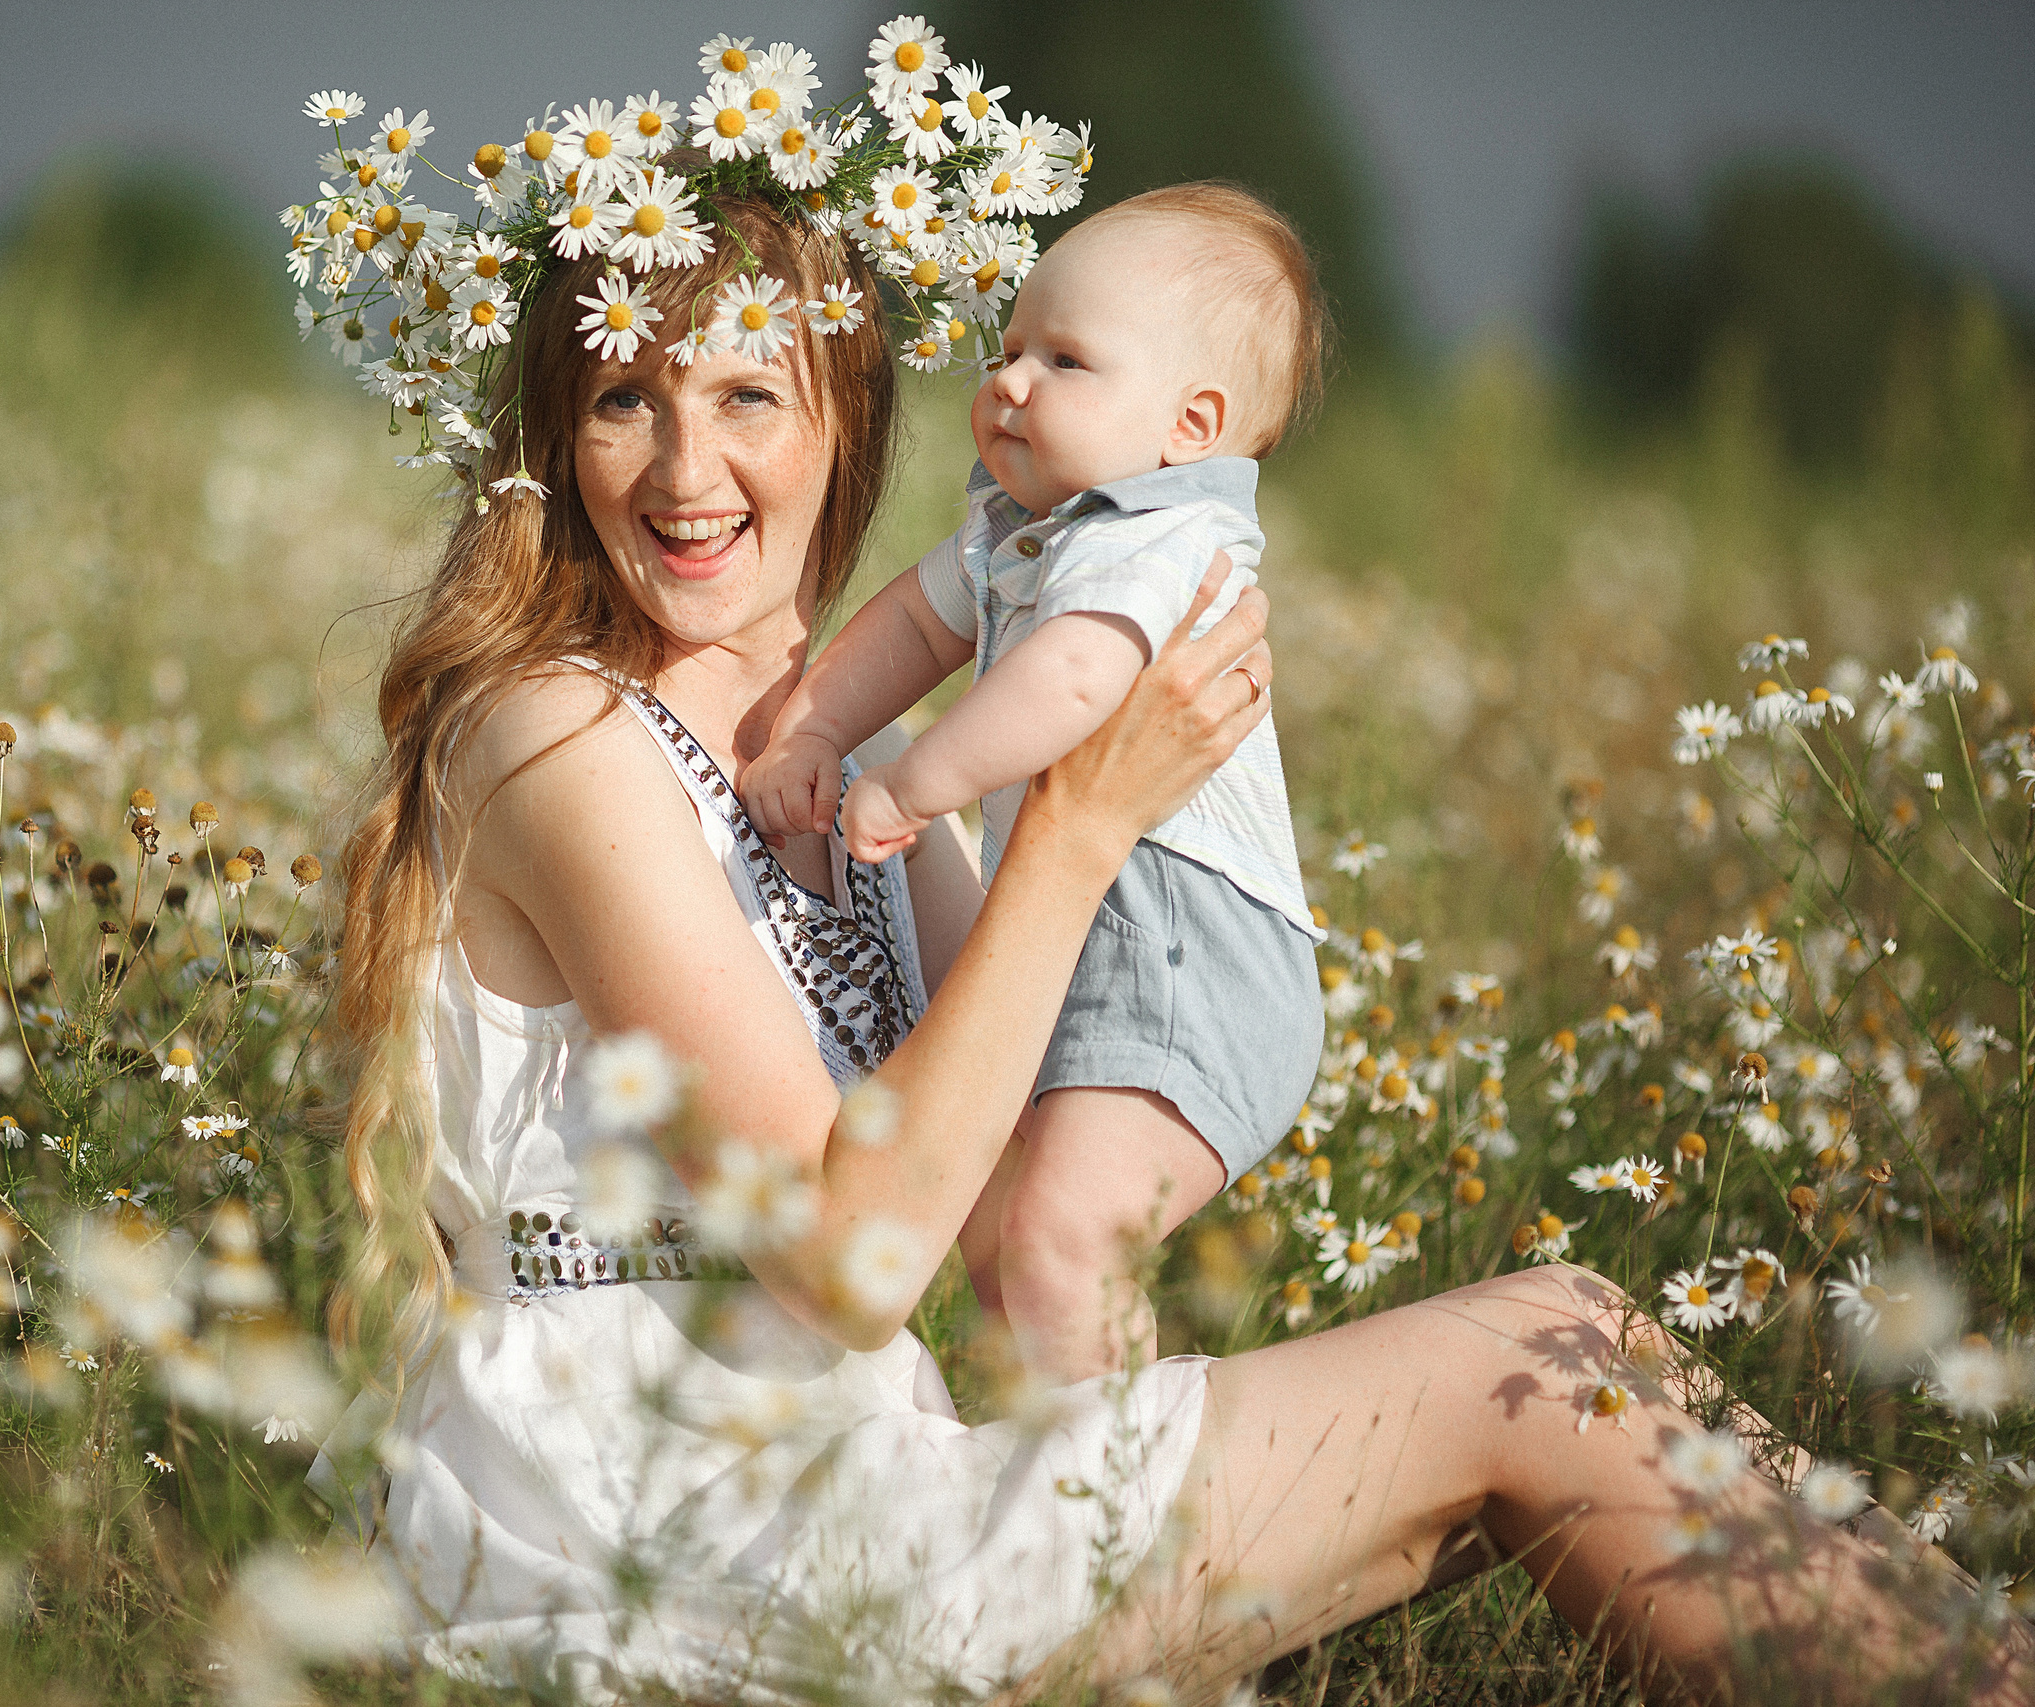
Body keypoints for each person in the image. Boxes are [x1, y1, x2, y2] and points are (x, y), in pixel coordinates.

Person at [330, 192, 2028, 1704]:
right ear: (554, 432)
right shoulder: (552, 734)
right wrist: (1076, 823)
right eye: (627, 395)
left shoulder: (855, 781)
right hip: (659, 1525)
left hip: (849, 1474)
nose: (688, 473)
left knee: (1575, 1363)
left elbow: (980, 1214)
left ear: (845, 421)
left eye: (747, 396)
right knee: (1535, 1362)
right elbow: (848, 1256)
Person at [741, 183, 1328, 1384]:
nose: (1008, 381)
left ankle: (1108, 1511)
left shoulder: (1160, 537)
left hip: (1191, 958)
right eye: (1008, 349)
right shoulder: (1024, 529)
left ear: (1188, 423)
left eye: (1065, 360)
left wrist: (913, 789)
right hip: (1095, 925)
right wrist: (808, 731)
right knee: (1014, 1238)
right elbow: (909, 628)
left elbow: (1069, 681)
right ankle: (1048, 1481)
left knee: (1059, 1241)